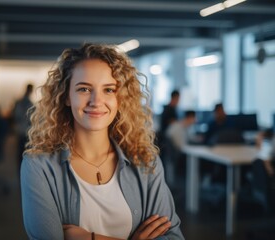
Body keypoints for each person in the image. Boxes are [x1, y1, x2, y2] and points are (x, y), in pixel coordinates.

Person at [20, 43, 184, 239]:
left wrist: (88, 238)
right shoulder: (39, 167)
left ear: (120, 98)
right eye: (83, 89)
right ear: (66, 97)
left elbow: (172, 236)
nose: (96, 101)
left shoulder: (145, 161)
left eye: (108, 90)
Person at [13, 83, 34, 172]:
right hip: (26, 132)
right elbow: (32, 118)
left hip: (21, 131)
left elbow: (16, 116)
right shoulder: (28, 103)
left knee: (21, 155)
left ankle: (21, 173)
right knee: (25, 155)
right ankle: (23, 173)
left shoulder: (19, 102)